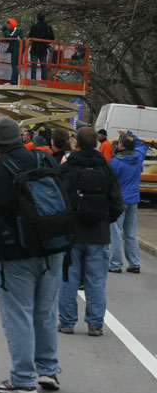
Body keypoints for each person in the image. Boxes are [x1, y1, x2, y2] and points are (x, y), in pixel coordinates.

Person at [0, 116, 65, 393]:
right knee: (45, 311)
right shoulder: (44, 160)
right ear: (21, 138)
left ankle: (22, 378)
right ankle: (48, 369)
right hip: (51, 245)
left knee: (18, 313)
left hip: (13, 250)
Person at [57, 127, 123, 337]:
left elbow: (57, 199)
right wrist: (104, 220)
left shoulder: (67, 169)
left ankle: (67, 322)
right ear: (96, 143)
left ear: (76, 144)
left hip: (71, 233)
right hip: (98, 232)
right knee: (96, 280)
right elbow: (116, 204)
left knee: (68, 278)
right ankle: (95, 323)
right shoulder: (106, 169)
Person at [108, 129, 146, 274]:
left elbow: (110, 180)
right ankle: (134, 263)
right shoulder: (139, 156)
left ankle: (116, 264)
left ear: (121, 145)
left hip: (119, 199)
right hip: (133, 198)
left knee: (116, 232)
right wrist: (130, 133)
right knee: (130, 232)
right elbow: (141, 144)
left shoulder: (116, 162)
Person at [28, 12, 55, 81]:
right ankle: (44, 80)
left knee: (34, 65)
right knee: (44, 65)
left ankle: (33, 79)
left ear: (37, 18)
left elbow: (30, 37)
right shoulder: (48, 27)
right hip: (43, 49)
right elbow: (52, 38)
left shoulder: (34, 26)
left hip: (35, 48)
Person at [3, 18, 23, 85]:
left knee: (14, 65)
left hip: (18, 48)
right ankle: (15, 80)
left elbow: (10, 37)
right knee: (14, 65)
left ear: (11, 24)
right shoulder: (12, 30)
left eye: (8, 26)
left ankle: (14, 81)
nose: (7, 28)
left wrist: (6, 31)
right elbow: (8, 39)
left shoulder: (17, 29)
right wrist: (6, 32)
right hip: (15, 49)